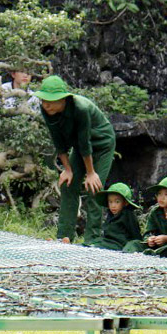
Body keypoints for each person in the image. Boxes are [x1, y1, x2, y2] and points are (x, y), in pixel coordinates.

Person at [35, 75, 117, 246]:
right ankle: (64, 236)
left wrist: (91, 173)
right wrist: (68, 169)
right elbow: (58, 141)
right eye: (43, 100)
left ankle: (92, 239)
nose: (45, 104)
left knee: (94, 187)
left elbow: (84, 141)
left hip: (102, 144)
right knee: (67, 184)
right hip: (81, 149)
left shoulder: (80, 108)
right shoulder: (47, 110)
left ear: (63, 99)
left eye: (50, 100)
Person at [124, 175, 167, 256]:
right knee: (134, 243)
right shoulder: (155, 212)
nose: (162, 198)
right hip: (157, 245)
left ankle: (155, 253)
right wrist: (150, 239)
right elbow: (148, 232)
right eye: (159, 194)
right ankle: (127, 254)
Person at [91, 182, 143, 251]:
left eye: (117, 202)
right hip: (107, 242)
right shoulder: (110, 213)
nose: (113, 205)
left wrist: (136, 246)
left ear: (125, 203)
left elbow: (136, 234)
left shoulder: (128, 214)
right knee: (93, 243)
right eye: (110, 202)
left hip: (119, 245)